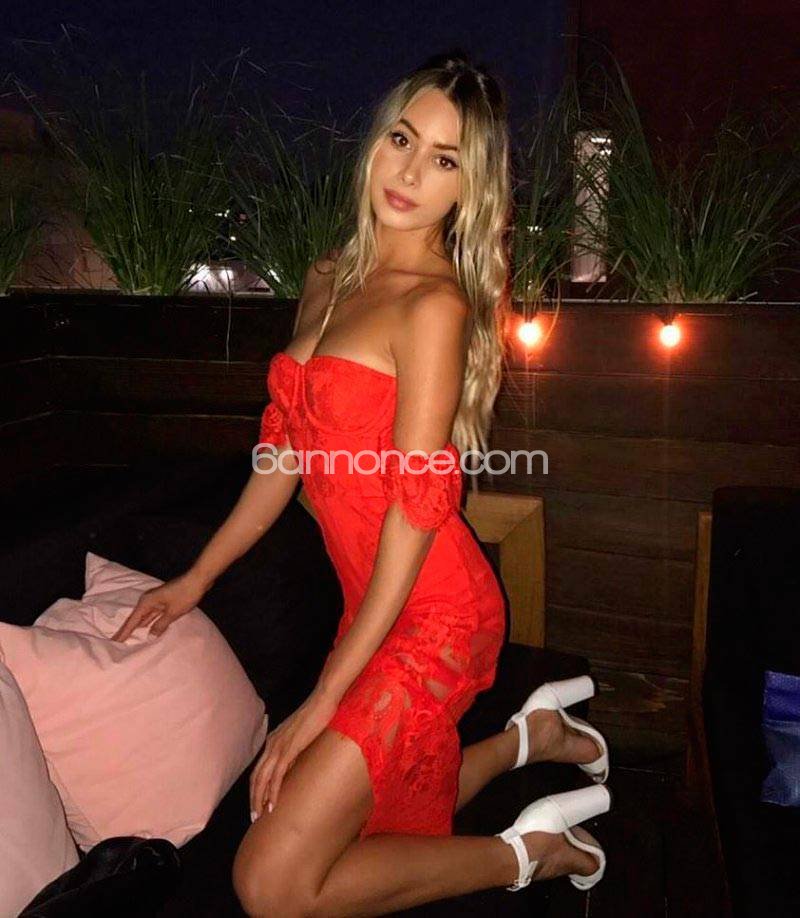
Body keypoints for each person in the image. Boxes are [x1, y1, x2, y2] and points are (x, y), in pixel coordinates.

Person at [111, 50, 612, 915]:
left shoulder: (434, 306)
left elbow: (415, 515)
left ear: (469, 188)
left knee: (270, 885)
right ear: (376, 141)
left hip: (435, 611)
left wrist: (323, 697)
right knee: (363, 817)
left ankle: (530, 852)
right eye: (402, 140)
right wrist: (195, 578)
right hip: (372, 601)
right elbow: (281, 458)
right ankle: (527, 738)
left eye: (444, 160)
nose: (410, 174)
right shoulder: (327, 276)